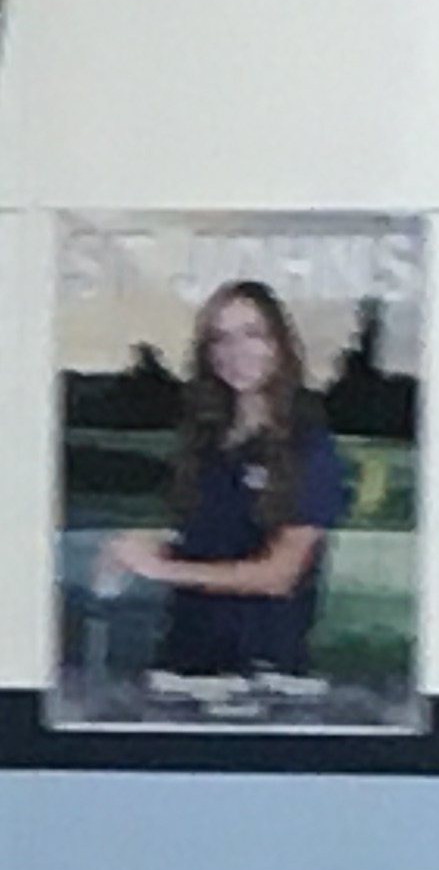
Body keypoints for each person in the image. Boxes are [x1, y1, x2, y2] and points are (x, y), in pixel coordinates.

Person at [94, 281, 345, 679]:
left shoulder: (307, 446)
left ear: (279, 345)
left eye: (252, 335)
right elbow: (215, 543)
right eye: (221, 339)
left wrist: (160, 569)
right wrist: (146, 549)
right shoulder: (208, 443)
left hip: (262, 674)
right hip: (185, 662)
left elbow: (279, 575)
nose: (236, 352)